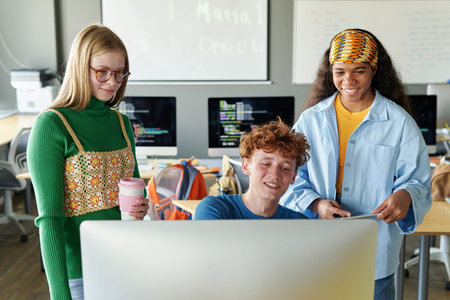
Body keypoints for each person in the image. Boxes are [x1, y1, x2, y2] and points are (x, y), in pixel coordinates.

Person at [280, 28, 432, 299]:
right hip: (318, 242)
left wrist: (405, 196)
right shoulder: (311, 120)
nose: (348, 80)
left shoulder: (399, 123)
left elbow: (418, 180)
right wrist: (315, 203)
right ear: (330, 72)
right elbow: (289, 176)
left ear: (374, 70)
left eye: (359, 70)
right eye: (340, 71)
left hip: (375, 245)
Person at [27, 24, 149, 300]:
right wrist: (60, 295)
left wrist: (141, 207)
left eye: (120, 73)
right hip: (79, 276)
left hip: (125, 265)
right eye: (102, 72)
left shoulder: (122, 123)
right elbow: (50, 221)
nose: (113, 82)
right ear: (81, 68)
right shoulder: (52, 125)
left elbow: (133, 188)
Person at [195, 118, 310, 220]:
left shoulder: (300, 224)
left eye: (285, 168)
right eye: (265, 164)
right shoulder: (214, 209)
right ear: (245, 166)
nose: (275, 175)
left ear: (294, 176)